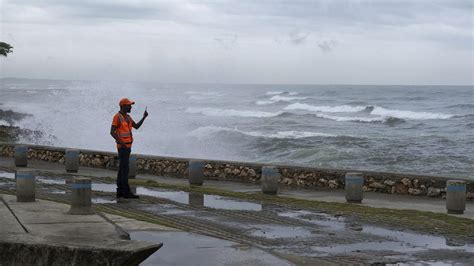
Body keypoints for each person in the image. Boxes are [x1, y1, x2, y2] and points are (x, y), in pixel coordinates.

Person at [110, 98, 148, 199]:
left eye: (130, 105)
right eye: (129, 105)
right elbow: (112, 132)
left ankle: (120, 191)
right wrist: (121, 142)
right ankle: (126, 192)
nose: (131, 107)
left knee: (122, 169)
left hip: (128, 147)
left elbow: (136, 126)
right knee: (125, 169)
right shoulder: (117, 117)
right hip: (123, 147)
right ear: (123, 106)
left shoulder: (128, 117)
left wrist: (144, 117)